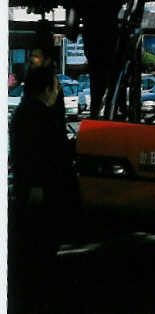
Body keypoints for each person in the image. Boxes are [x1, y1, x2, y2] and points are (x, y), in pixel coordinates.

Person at [8, 65, 72, 312]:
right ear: (47, 89)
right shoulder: (39, 116)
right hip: (41, 190)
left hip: (32, 188)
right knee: (41, 246)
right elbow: (38, 155)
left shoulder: (24, 113)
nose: (58, 92)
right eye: (56, 87)